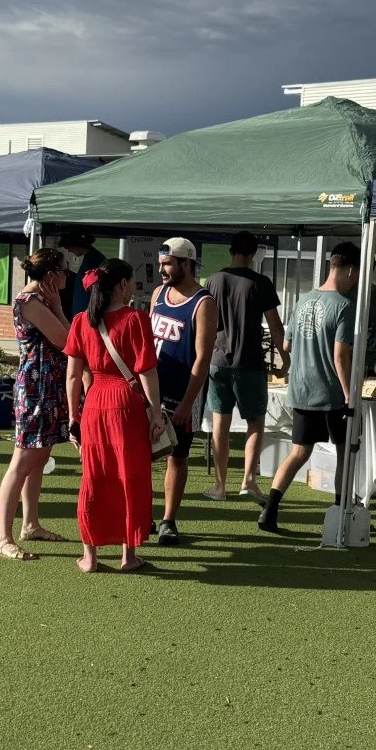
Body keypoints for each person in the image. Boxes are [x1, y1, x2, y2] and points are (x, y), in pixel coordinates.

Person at [64, 259, 169, 572]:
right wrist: (156, 413)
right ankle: (128, 556)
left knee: (94, 477)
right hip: (127, 404)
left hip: (94, 403)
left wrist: (73, 416)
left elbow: (73, 375)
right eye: (132, 281)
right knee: (129, 476)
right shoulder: (136, 319)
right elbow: (147, 371)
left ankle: (90, 557)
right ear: (122, 284)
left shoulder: (81, 321)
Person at [258, 242, 360, 534]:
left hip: (301, 389)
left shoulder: (303, 300)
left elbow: (287, 344)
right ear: (350, 270)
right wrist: (349, 395)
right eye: (357, 274)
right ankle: (340, 514)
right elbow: (340, 356)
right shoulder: (344, 305)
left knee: (299, 452)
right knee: (344, 453)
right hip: (331, 393)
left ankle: (269, 510)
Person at [0, 246, 72, 560]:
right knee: (23, 460)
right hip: (36, 389)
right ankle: (3, 537)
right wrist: (58, 308)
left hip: (47, 386)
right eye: (64, 270)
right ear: (51, 275)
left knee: (39, 457)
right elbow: (68, 341)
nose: (68, 275)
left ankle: (30, 524)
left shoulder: (42, 301)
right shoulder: (31, 302)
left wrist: (57, 307)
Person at [202, 231, 284, 503]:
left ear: (231, 250)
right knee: (255, 422)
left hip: (217, 360)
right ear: (253, 253)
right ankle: (248, 480)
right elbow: (275, 327)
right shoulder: (261, 282)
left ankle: (220, 486)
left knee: (220, 424)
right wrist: (286, 360)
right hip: (249, 362)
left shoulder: (213, 280)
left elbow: (204, 323)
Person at [149, 236, 215, 544]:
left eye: (167, 264)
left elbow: (203, 357)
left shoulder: (203, 302)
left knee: (177, 455)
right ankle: (142, 513)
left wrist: (188, 402)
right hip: (151, 390)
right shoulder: (159, 293)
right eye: (160, 263)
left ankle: (168, 520)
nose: (161, 269)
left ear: (186, 264)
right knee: (141, 454)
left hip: (181, 393)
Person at [59, 231, 106, 318]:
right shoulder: (90, 258)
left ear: (76, 244)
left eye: (68, 247)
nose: (69, 250)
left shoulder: (94, 260)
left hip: (88, 313)